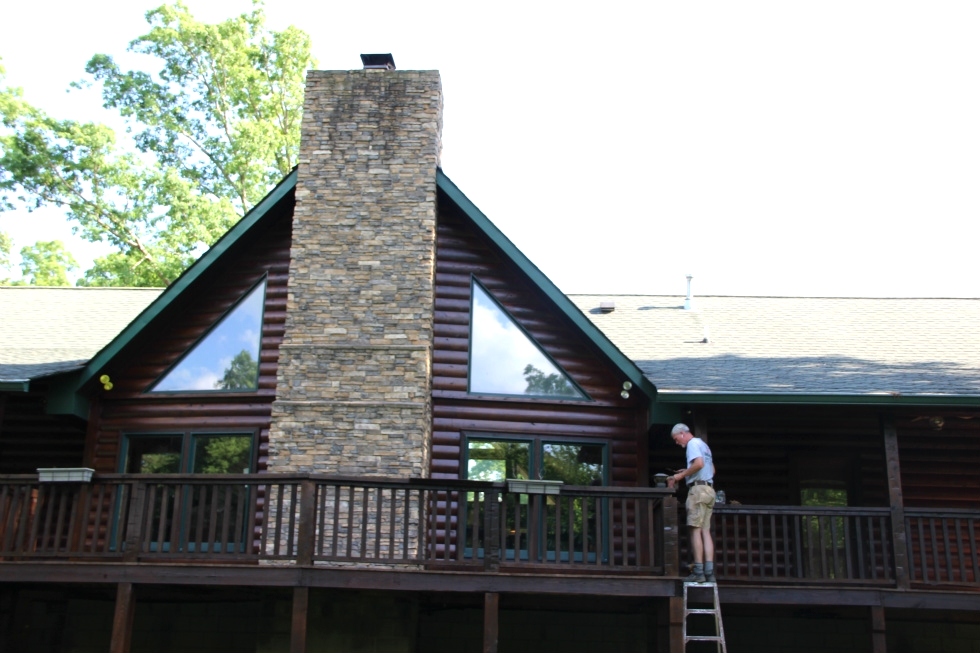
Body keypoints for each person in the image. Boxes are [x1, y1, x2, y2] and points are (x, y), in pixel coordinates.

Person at [667, 423, 716, 583]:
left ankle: (699, 572)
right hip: (709, 490)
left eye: (676, 439)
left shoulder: (692, 444)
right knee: (705, 531)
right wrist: (688, 471)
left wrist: (681, 476)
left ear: (682, 433)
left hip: (698, 492)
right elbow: (711, 470)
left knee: (695, 531)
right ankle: (709, 572)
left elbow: (699, 464)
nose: (677, 443)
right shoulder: (704, 445)